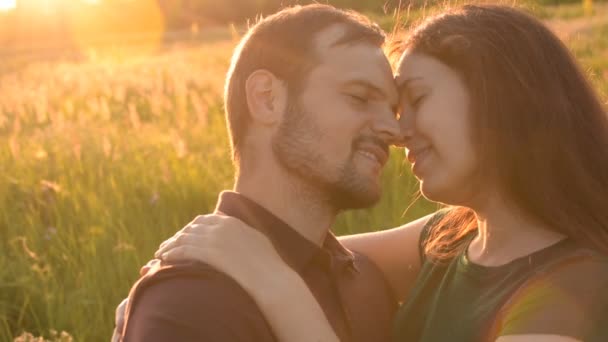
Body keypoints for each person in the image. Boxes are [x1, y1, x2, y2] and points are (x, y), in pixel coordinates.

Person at [150, 4, 608, 342]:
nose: (396, 131)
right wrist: (166, 286)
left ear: (501, 99)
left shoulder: (577, 283)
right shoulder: (446, 241)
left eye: (418, 100)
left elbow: (279, 261)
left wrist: (275, 286)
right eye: (381, 104)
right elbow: (303, 247)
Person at [115, 4, 407, 342]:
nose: (393, 130)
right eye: (359, 97)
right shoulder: (188, 302)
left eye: (393, 110)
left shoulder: (368, 284)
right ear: (267, 99)